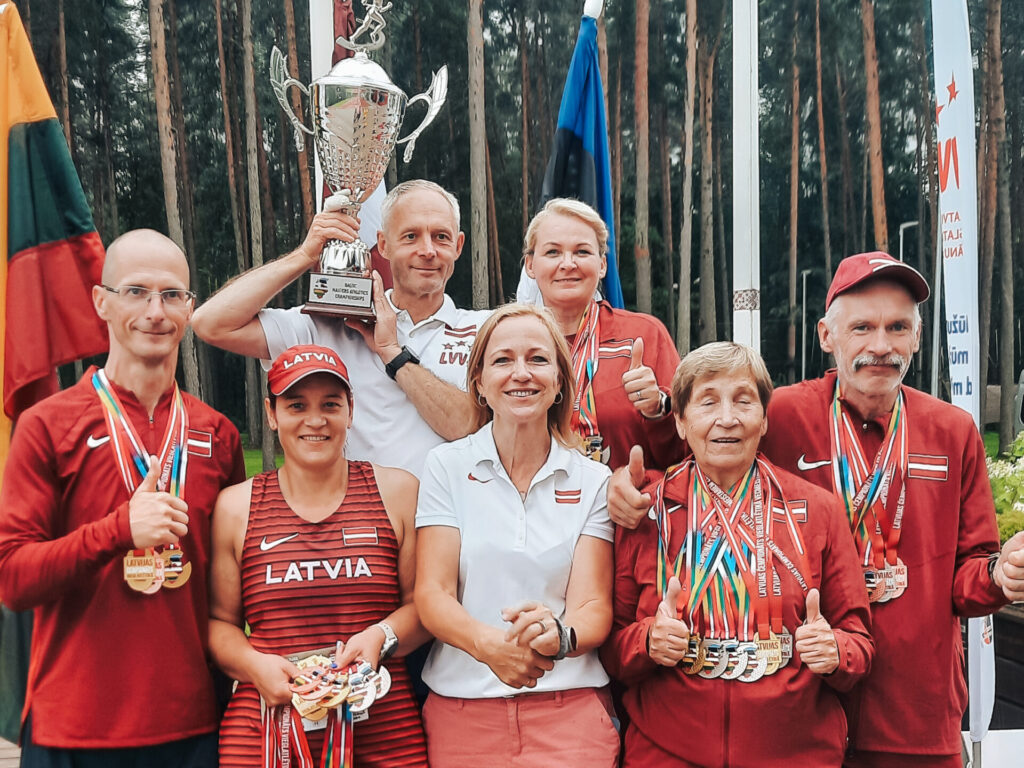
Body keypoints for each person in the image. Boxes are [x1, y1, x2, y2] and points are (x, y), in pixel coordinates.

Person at [608, 252, 1024, 768]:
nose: (880, 345)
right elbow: (700, 460)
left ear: (918, 338)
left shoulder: (953, 431)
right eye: (862, 327)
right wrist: (625, 488)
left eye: (897, 328)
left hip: (910, 706)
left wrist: (1001, 576)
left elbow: (969, 572)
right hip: (794, 707)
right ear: (827, 335)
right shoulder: (781, 411)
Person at [0, 229, 245, 766]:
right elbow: (13, 579)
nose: (155, 312)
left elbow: (232, 589)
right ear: (101, 302)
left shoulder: (218, 436)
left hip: (194, 727)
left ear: (189, 308)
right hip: (73, 730)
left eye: (172, 295)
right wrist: (117, 531)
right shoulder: (47, 425)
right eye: (135, 292)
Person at [602, 341, 872, 767]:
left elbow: (860, 642)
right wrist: (647, 641)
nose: (726, 418)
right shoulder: (646, 510)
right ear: (680, 422)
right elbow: (612, 646)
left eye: (743, 401)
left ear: (764, 420)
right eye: (707, 402)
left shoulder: (818, 510)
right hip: (667, 754)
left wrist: (836, 651)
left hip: (795, 756)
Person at [414, 304, 619, 767]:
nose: (521, 374)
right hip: (463, 715)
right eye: (503, 360)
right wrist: (489, 648)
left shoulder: (592, 480)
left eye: (538, 359)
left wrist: (559, 637)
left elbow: (593, 607)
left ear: (561, 381)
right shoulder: (445, 467)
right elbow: (433, 592)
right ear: (480, 383)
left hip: (571, 715)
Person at [211, 344, 429, 767]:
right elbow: (220, 624)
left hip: (383, 728)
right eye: (296, 405)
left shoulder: (397, 491)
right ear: (272, 415)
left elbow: (424, 606)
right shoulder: (235, 508)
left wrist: (380, 636)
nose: (315, 420)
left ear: (351, 410)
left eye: (331, 404)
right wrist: (254, 666)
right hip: (268, 728)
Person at [191, 179, 490, 477]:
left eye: (441, 237)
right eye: (410, 236)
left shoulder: (486, 330)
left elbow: (468, 425)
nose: (427, 250)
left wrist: (392, 354)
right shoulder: (332, 324)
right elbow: (212, 323)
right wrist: (305, 255)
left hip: (449, 524)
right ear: (383, 245)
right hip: (356, 522)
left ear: (459, 245)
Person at [522, 198, 681, 470]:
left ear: (603, 265)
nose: (568, 263)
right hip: (534, 508)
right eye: (552, 252)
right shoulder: (512, 343)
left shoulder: (644, 335)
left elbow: (686, 452)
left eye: (582, 252)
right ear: (530, 265)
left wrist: (658, 409)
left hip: (626, 507)